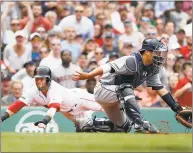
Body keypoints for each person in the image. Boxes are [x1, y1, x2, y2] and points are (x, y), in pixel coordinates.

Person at [72, 38, 190, 133]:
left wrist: (177, 108)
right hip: (103, 90)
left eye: (162, 53)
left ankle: (86, 123)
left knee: (123, 127)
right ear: (147, 52)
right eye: (158, 53)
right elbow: (108, 67)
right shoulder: (131, 61)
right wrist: (89, 75)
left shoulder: (153, 67)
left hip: (116, 95)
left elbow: (159, 88)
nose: (161, 56)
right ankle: (140, 124)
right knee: (126, 88)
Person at [1, 66, 116, 132]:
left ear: (48, 79)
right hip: (68, 111)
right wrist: (2, 118)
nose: (39, 81)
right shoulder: (32, 90)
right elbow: (17, 105)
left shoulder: (54, 88)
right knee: (85, 129)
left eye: (42, 78)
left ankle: (129, 119)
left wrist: (45, 120)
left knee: (107, 105)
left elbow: (54, 107)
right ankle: (111, 127)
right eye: (37, 78)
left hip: (80, 99)